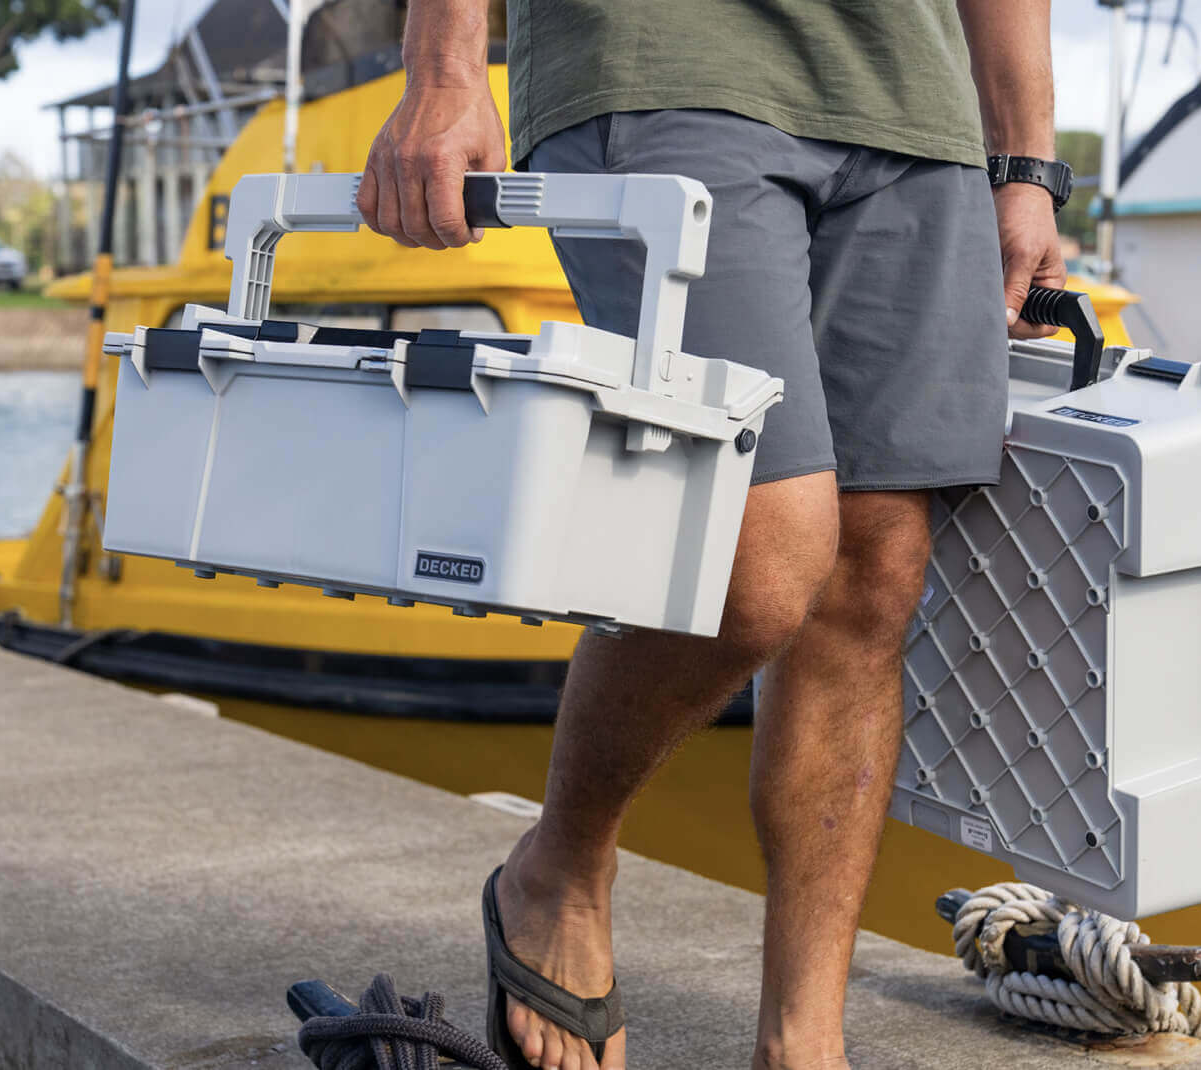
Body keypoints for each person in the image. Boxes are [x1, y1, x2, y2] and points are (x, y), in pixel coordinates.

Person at [358, 1, 1071, 1066]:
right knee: (760, 555)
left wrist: (1024, 160)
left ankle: (804, 1036)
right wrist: (444, 65)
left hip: (915, 100)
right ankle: (559, 862)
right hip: (669, 59)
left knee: (872, 571)